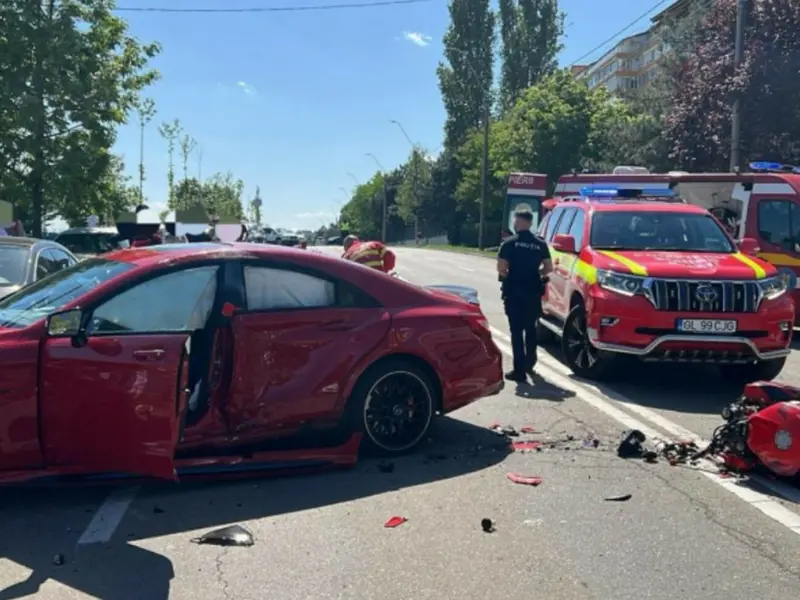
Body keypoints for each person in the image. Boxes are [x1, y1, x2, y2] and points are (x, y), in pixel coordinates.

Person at [497, 205, 553, 382]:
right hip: (533, 292)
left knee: (516, 331)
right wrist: (538, 275)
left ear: (520, 221)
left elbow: (501, 268)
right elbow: (548, 267)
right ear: (530, 223)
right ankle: (530, 362)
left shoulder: (509, 243)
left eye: (515, 220)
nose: (514, 222)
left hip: (513, 292)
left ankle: (519, 370)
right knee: (530, 329)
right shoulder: (540, 244)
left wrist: (507, 276)